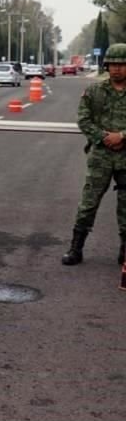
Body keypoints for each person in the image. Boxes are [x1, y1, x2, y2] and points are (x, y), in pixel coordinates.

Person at [63, 42, 126, 266]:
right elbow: (83, 119)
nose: (117, 69)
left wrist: (122, 136)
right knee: (88, 203)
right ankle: (76, 248)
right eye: (113, 64)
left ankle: (124, 252)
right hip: (101, 155)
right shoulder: (94, 91)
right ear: (107, 66)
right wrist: (104, 137)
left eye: (122, 64)